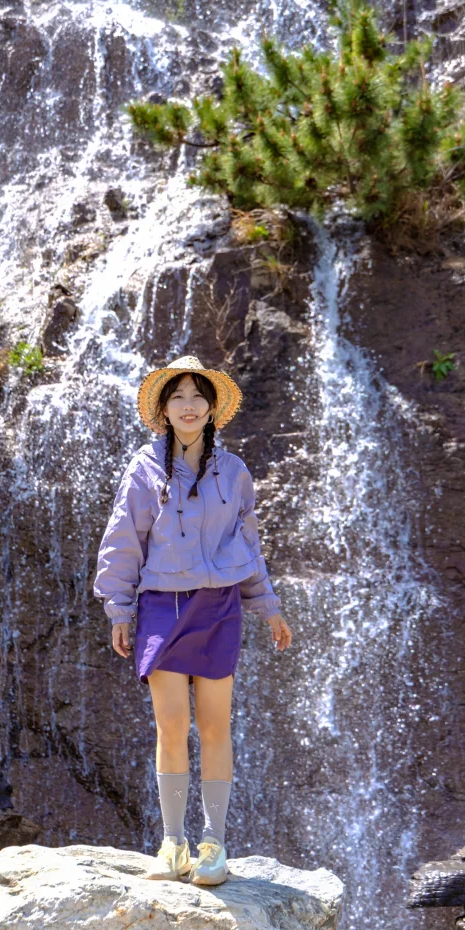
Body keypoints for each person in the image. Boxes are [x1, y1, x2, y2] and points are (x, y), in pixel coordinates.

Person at [94, 354, 293, 887]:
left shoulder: (234, 472)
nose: (188, 405)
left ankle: (214, 845)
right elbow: (123, 539)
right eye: (177, 396)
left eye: (197, 396)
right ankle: (173, 843)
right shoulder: (144, 468)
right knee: (171, 724)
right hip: (162, 606)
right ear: (163, 409)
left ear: (211, 409)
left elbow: (247, 545)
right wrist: (119, 608)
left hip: (219, 607)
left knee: (214, 725)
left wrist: (268, 606)